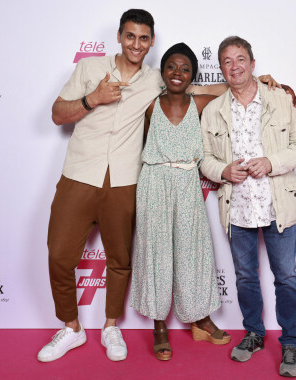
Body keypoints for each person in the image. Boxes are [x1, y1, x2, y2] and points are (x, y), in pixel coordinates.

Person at [39, 9, 280, 363]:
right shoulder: (91, 69)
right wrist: (94, 98)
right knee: (61, 255)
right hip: (83, 174)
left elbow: (202, 89)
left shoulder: (156, 81)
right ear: (120, 36)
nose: (136, 43)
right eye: (130, 36)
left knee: (123, 259)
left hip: (127, 181)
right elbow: (58, 113)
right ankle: (72, 328)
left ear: (151, 42)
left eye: (143, 38)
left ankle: (111, 327)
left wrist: (260, 81)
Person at [200, 36, 296, 377]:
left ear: (252, 63)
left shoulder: (280, 100)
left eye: (240, 59)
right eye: (227, 61)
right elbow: (203, 158)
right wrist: (222, 171)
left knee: (287, 278)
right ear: (221, 69)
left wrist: (272, 162)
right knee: (246, 278)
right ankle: (253, 334)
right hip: (238, 209)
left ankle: (290, 342)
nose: (234, 66)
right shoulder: (213, 110)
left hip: (278, 206)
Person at [129, 43, 231, 361]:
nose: (177, 73)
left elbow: (232, 87)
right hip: (154, 182)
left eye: (185, 68)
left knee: (192, 251)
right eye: (172, 67)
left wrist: (270, 81)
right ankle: (160, 326)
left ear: (192, 76)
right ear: (163, 71)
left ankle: (199, 319)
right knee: (156, 253)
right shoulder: (149, 105)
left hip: (187, 182)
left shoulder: (199, 102)